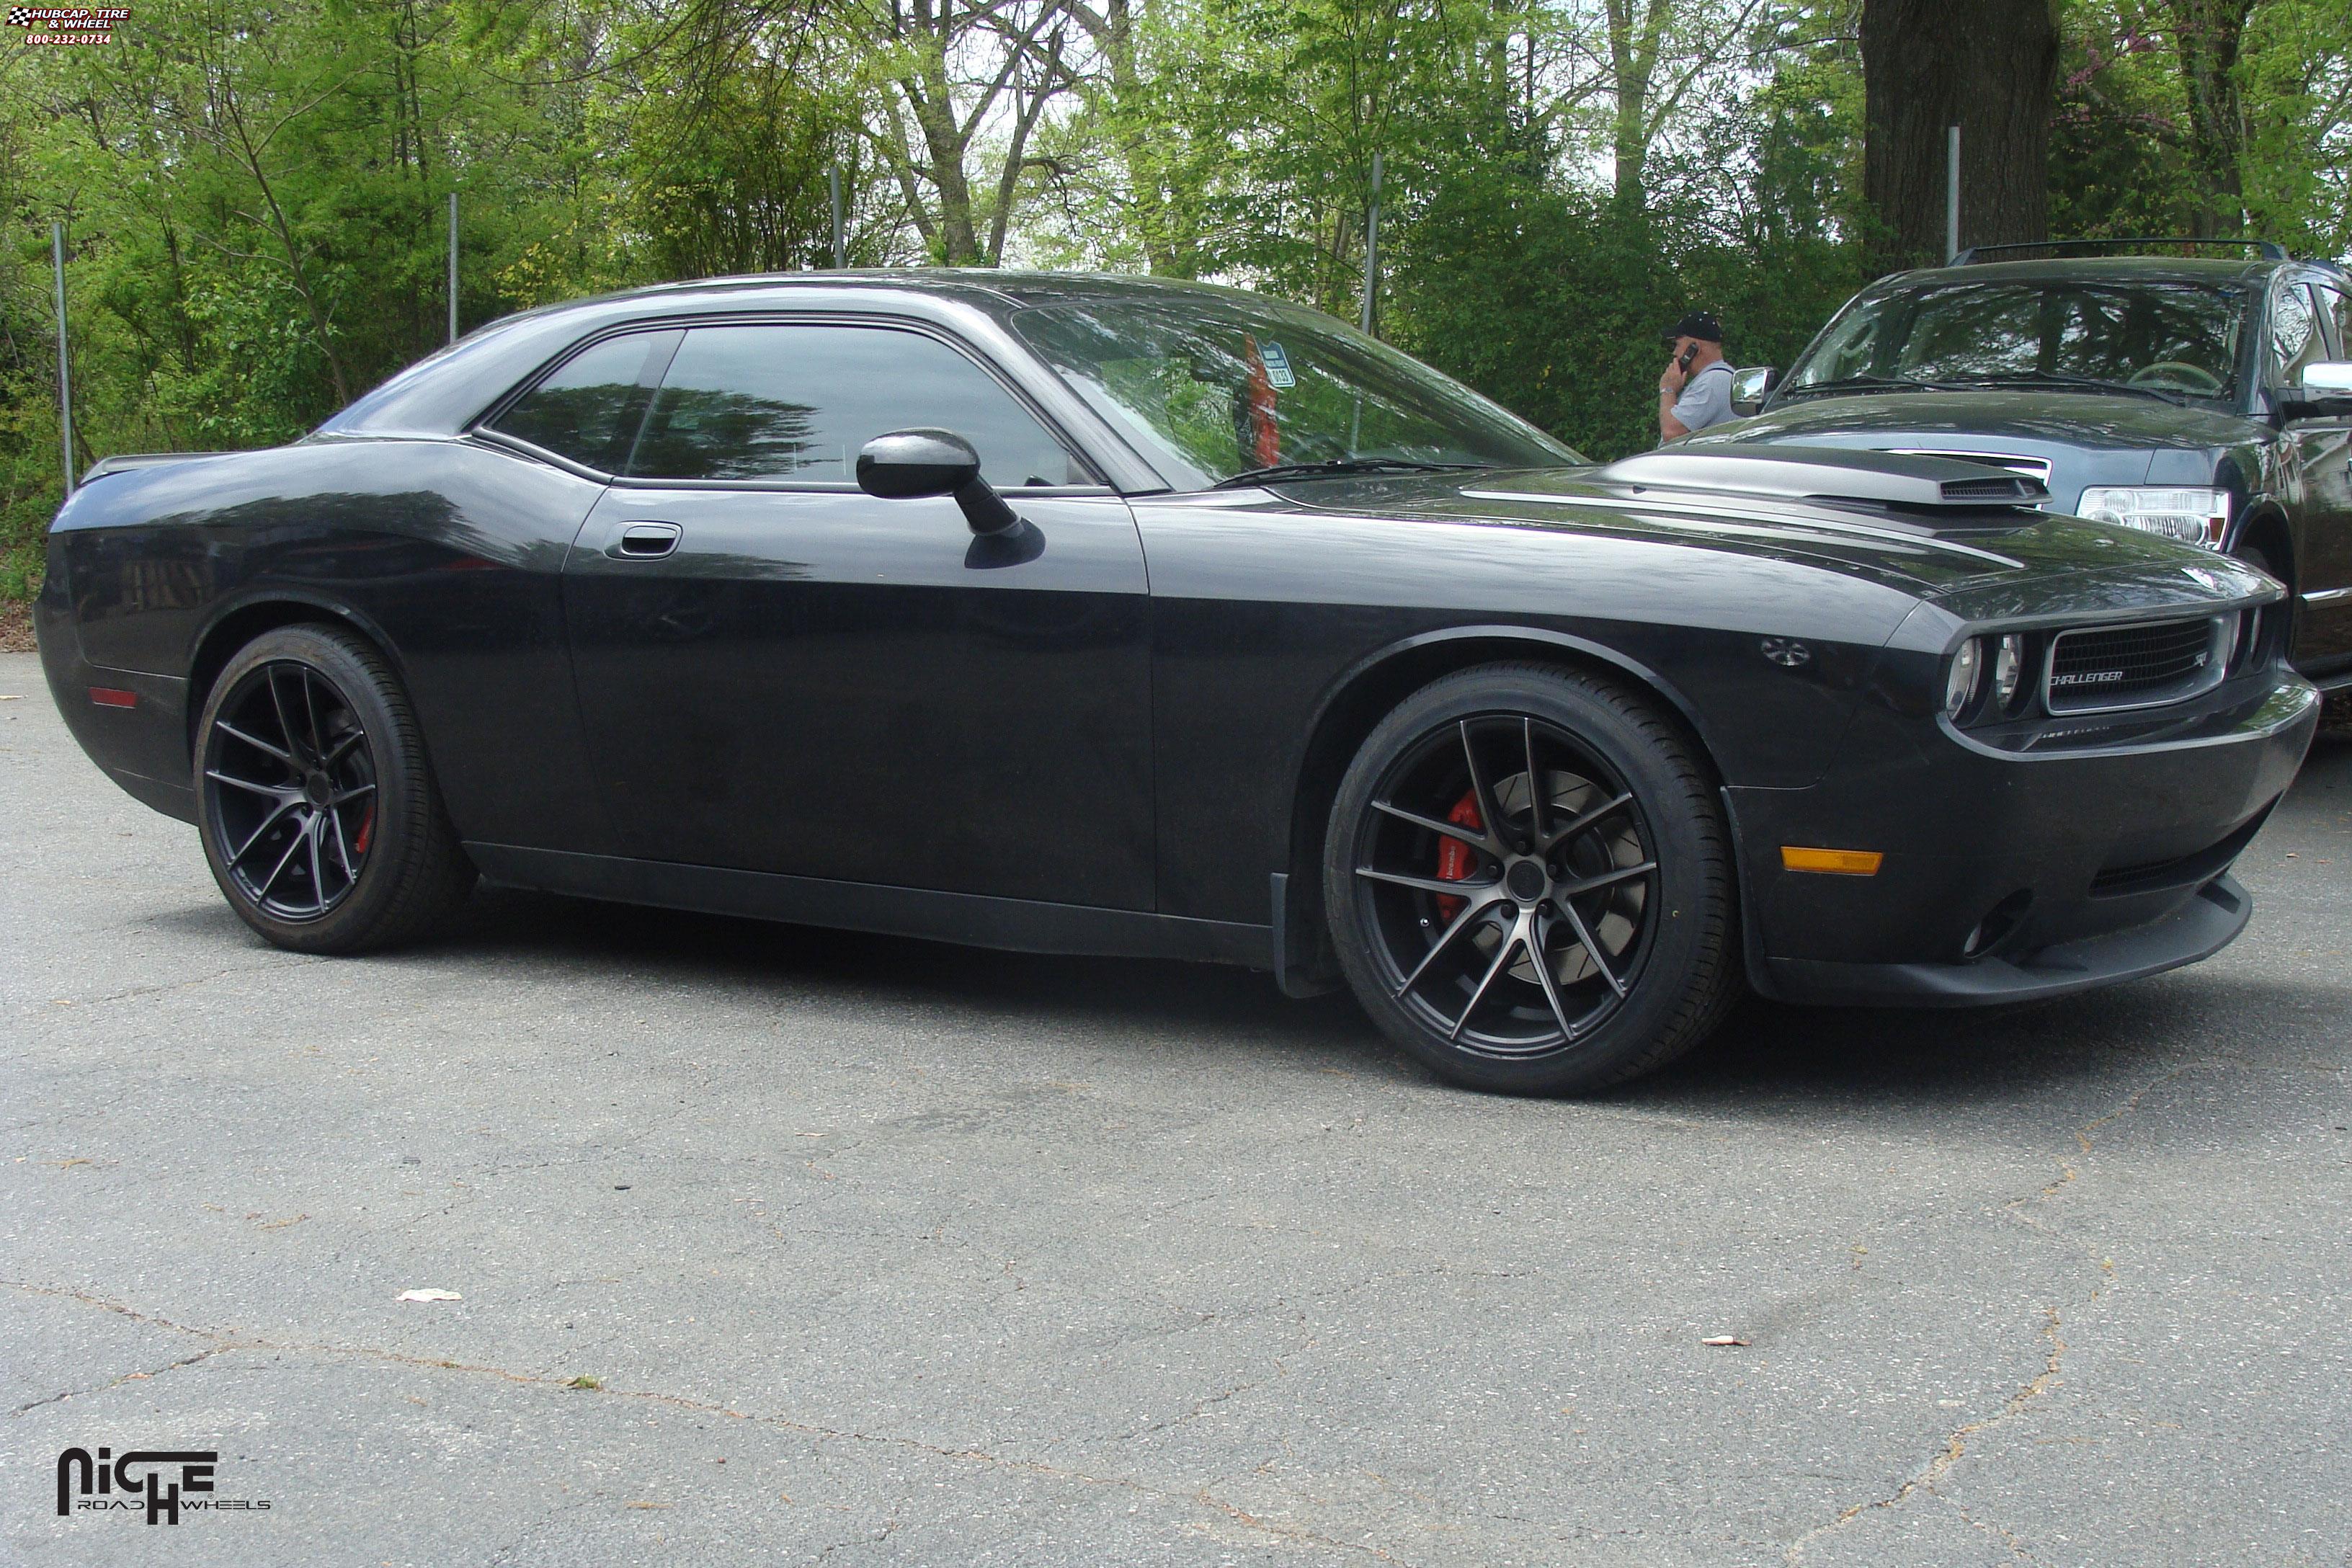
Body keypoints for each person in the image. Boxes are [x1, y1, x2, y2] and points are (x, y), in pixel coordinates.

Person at [1657, 310, 1736, 442]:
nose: (1675, 353)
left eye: (1678, 345)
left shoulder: (1713, 383)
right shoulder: (1717, 378)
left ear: (1694, 348)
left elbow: (1671, 432)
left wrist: (1668, 390)